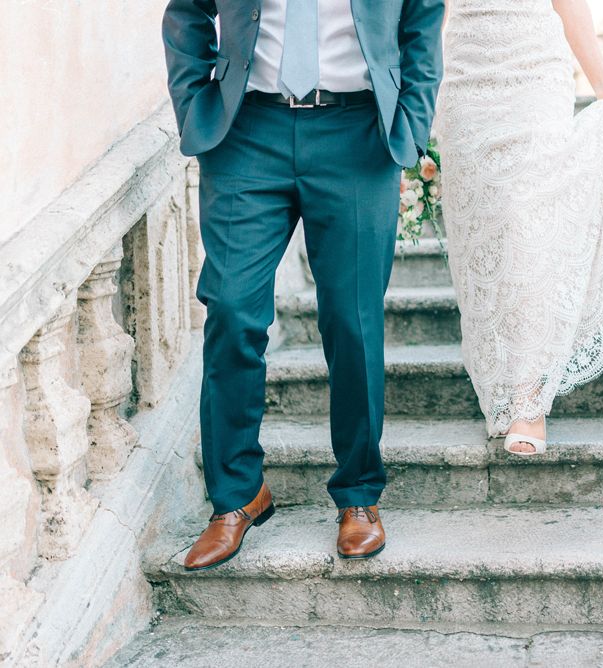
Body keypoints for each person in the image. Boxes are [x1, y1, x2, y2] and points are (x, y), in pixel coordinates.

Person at [161, 0, 444, 570]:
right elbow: (187, 14)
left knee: (353, 319)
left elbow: (422, 24)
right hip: (246, 134)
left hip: (358, 134)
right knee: (232, 308)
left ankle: (359, 494)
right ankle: (235, 497)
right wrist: (196, 105)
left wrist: (410, 125)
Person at [436, 0, 603, 455]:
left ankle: (528, 401)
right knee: (481, 237)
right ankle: (501, 388)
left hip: (534, 70)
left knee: (528, 227)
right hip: (463, 76)